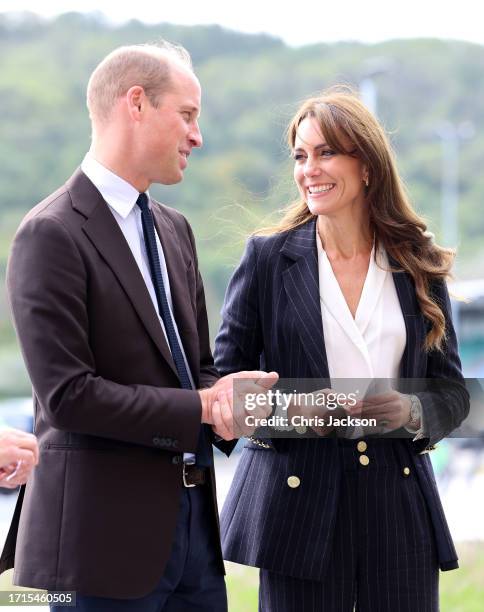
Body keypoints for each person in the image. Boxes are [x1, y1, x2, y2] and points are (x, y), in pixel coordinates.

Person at [0, 42, 275, 611]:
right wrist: (201, 407)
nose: (197, 137)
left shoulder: (176, 230)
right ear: (137, 104)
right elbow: (69, 397)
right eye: (188, 114)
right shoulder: (49, 233)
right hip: (100, 550)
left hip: (196, 543)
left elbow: (197, 374)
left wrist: (228, 404)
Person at [214, 88, 469, 611]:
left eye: (326, 152)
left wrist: (412, 409)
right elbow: (223, 392)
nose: (310, 169)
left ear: (368, 165)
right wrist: (302, 410)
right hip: (297, 509)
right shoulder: (266, 258)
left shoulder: (417, 261)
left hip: (399, 506)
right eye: (300, 156)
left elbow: (453, 393)